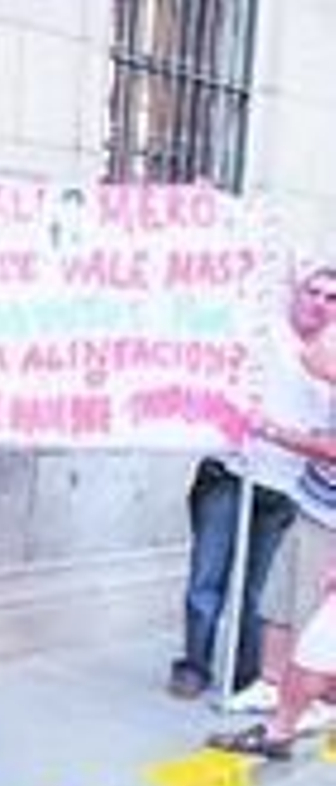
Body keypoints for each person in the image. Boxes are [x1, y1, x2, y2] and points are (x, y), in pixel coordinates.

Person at [169, 264, 336, 703]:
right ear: (293, 293)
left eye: (330, 298)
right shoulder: (265, 334)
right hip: (233, 472)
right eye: (311, 292)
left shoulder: (326, 361)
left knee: (256, 590)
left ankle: (245, 675)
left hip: (285, 489)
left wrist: (275, 431)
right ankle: (194, 665)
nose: (318, 303)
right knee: (207, 576)